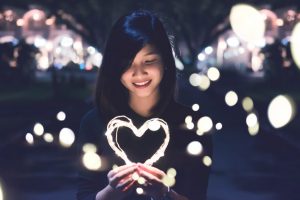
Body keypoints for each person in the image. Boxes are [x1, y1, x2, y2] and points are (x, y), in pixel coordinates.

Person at [77, 10, 212, 200]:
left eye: (149, 61)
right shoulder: (93, 123)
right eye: (127, 63)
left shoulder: (192, 126)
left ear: (165, 60)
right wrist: (111, 192)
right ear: (114, 66)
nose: (138, 73)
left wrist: (164, 193)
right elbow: (84, 194)